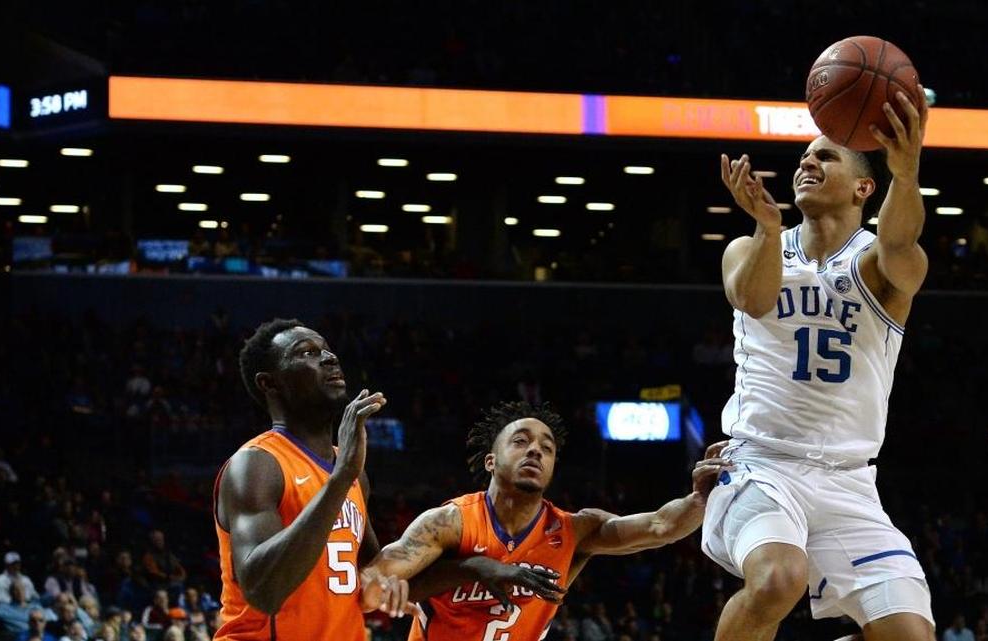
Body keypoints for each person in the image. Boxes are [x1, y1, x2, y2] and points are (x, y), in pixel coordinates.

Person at [702, 85, 935, 640]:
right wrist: (765, 226)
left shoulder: (879, 265)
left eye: (825, 155)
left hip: (850, 483)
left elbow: (902, 244)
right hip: (762, 462)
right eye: (804, 156)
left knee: (909, 636)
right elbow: (755, 300)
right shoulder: (750, 248)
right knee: (779, 579)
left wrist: (907, 173)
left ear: (863, 187)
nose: (807, 161)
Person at [216, 320, 550, 641]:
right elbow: (264, 592)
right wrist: (342, 476)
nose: (329, 358)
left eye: (327, 350)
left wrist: (476, 568)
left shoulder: (352, 472)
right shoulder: (257, 464)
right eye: (306, 353)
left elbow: (377, 577)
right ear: (269, 383)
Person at [358, 401, 730, 640]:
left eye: (547, 448)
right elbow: (369, 588)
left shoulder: (574, 529)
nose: (536, 449)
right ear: (490, 460)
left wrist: (699, 497)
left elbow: (661, 527)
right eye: (520, 441)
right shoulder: (449, 523)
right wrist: (386, 589)